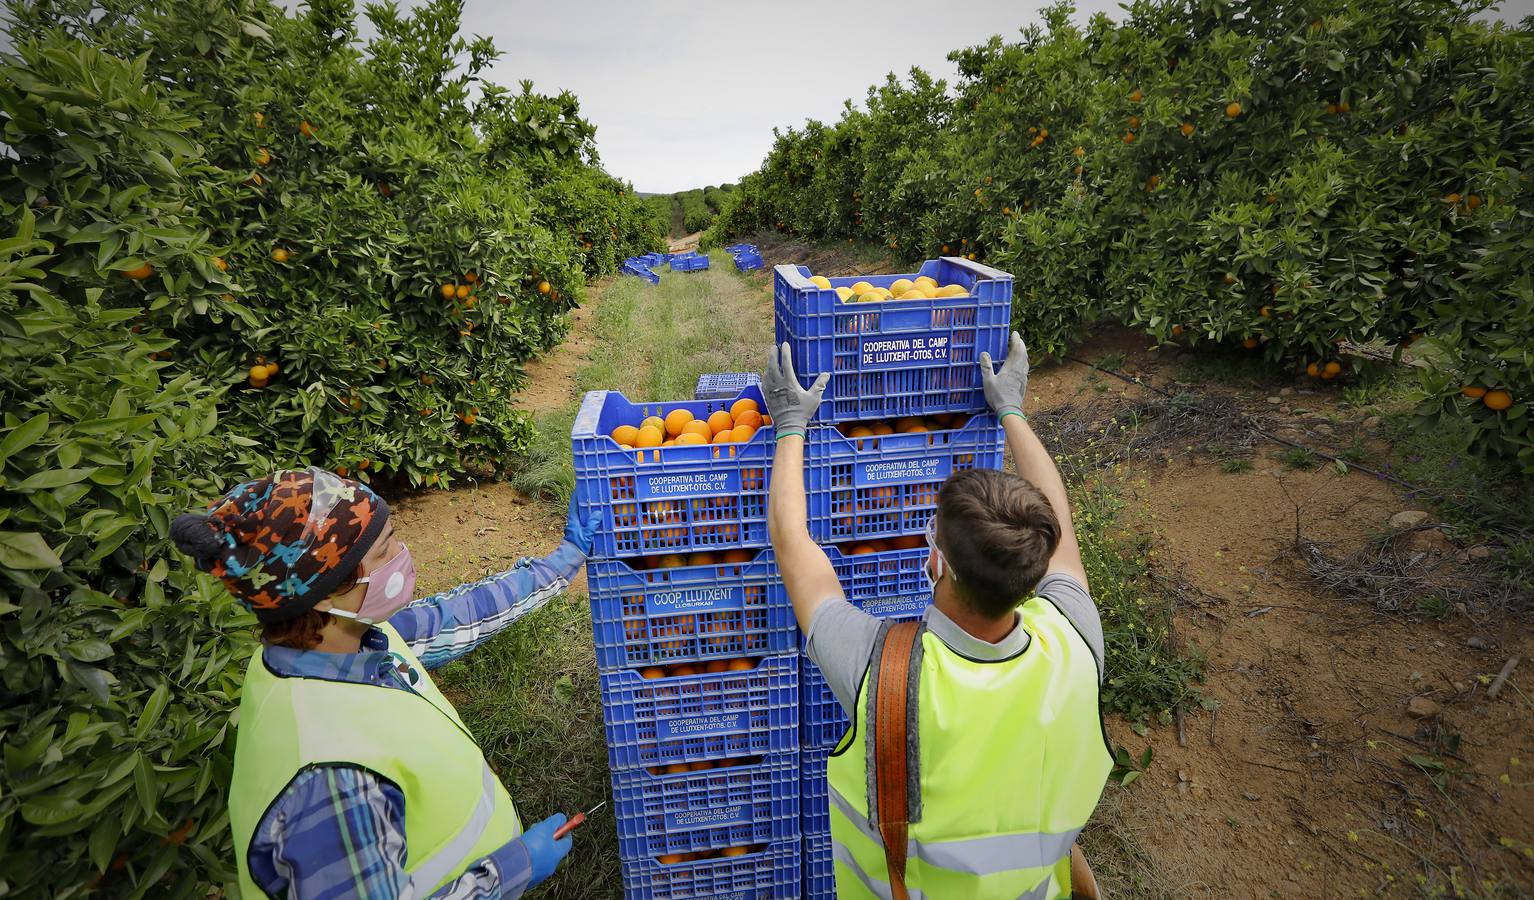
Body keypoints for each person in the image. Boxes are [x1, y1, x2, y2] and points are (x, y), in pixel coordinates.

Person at [763, 333, 1113, 900]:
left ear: (936, 561)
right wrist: (1013, 411)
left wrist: (789, 427)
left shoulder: (885, 674)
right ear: (1036, 569)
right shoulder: (1075, 638)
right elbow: (1061, 523)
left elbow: (792, 544)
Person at [170, 467, 599, 899]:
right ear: (324, 590)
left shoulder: (336, 644)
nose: (402, 553)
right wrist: (513, 869)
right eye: (385, 548)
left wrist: (563, 559)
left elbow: (463, 614)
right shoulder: (331, 783)